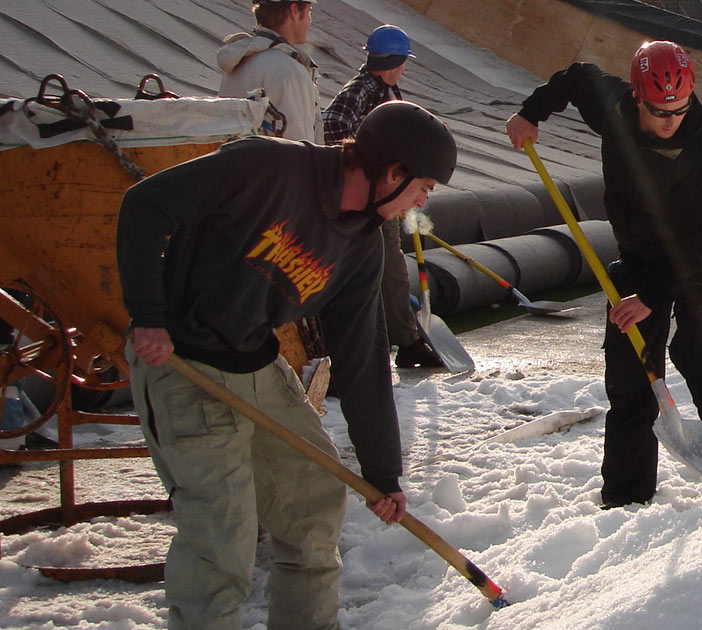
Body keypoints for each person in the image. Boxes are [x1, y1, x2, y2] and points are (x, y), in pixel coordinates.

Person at [117, 101, 455, 629]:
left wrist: (383, 472)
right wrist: (147, 317)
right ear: (393, 172)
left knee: (314, 503)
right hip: (182, 362)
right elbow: (144, 206)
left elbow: (362, 356)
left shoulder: (362, 245)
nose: (420, 202)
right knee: (220, 539)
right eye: (422, 188)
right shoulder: (266, 168)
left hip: (255, 365)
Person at [504, 41, 702, 508]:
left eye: (678, 110)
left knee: (700, 349)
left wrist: (654, 297)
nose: (670, 121)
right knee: (632, 372)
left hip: (696, 255)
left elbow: (696, 247)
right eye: (660, 111)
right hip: (639, 255)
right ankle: (625, 497)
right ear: (637, 97)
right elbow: (576, 76)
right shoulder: (615, 107)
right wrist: (530, 113)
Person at [323, 24, 442, 368]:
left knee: (387, 270)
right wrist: (369, 162)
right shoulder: (364, 89)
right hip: (372, 199)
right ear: (395, 62)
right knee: (388, 269)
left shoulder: (385, 90)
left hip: (384, 194)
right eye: (403, 62)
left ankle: (402, 340)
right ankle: (406, 343)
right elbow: (333, 123)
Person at [219, 0, 322, 143]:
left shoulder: (239, 58)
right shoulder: (290, 72)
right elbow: (299, 149)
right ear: (294, 11)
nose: (310, 21)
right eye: (309, 12)